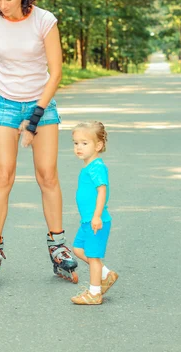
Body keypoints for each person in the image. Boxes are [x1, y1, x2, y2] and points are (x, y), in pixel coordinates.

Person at [0, 0, 77, 288]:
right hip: (4, 104)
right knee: (3, 175)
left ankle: (57, 245)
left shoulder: (44, 20)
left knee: (47, 175)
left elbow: (55, 73)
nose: (2, 4)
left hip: (41, 102)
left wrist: (37, 116)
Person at [70, 122, 118, 305]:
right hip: (87, 220)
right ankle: (106, 275)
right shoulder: (88, 166)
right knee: (78, 249)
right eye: (75, 143)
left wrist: (97, 216)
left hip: (95, 220)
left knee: (93, 257)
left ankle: (94, 293)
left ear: (98, 146)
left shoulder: (97, 166)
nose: (78, 147)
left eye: (84, 143)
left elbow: (102, 191)